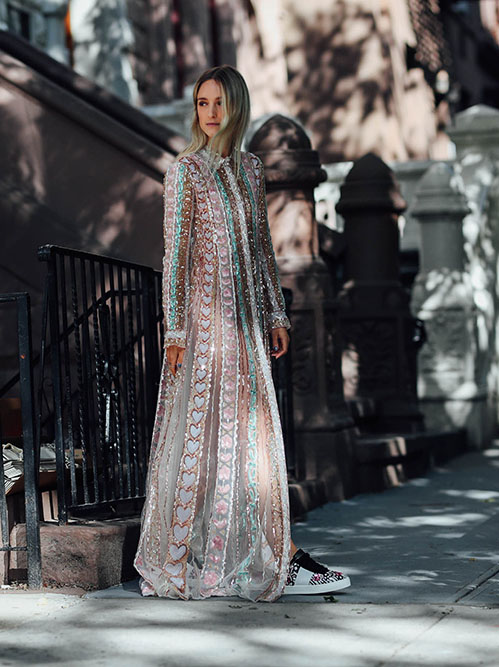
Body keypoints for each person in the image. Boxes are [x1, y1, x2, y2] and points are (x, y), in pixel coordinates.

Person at [134, 65, 351, 601]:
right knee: (199, 442)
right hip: (204, 326)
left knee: (251, 443)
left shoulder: (250, 169)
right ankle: (190, 558)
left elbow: (258, 249)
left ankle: (268, 552)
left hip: (246, 328)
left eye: (218, 103)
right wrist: (177, 327)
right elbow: (175, 255)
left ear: (237, 107)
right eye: (201, 103)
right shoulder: (185, 170)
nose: (209, 113)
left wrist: (275, 315)